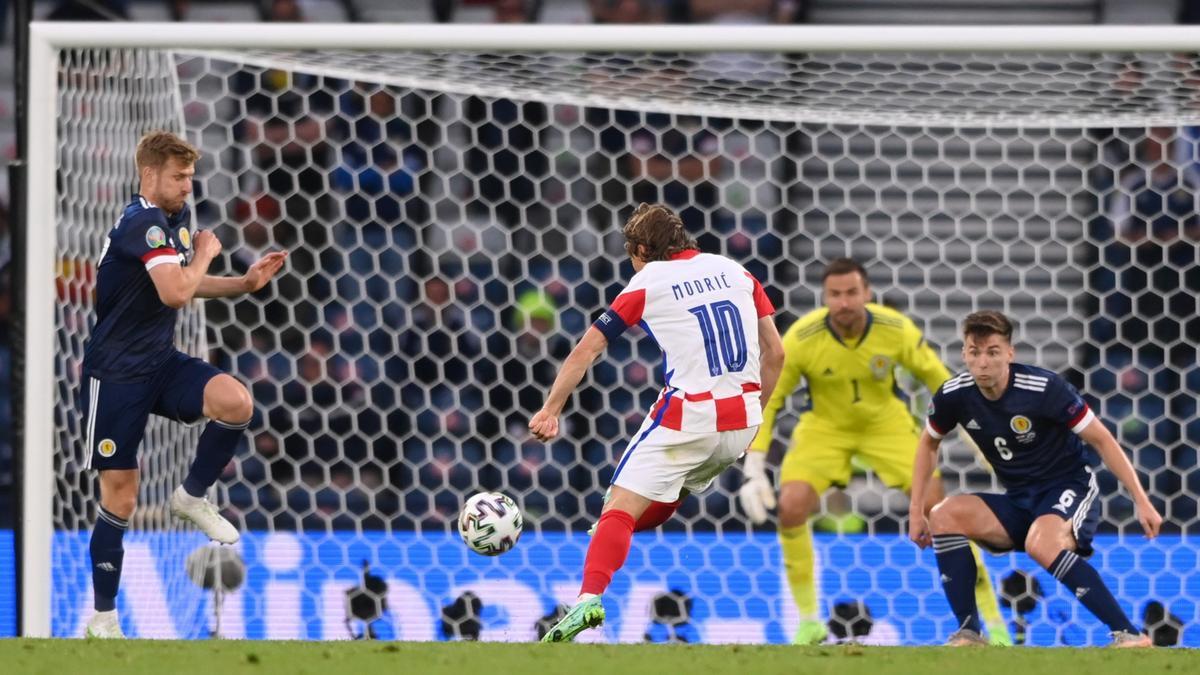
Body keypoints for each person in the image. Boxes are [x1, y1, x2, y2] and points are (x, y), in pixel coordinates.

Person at [529, 202, 785, 642]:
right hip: (743, 420)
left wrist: (551, 409)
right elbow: (776, 353)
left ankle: (589, 597)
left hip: (691, 414)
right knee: (667, 489)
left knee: (619, 506)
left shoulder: (647, 280)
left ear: (642, 249)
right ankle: (613, 531)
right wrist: (756, 411)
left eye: (630, 251)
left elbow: (586, 350)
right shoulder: (736, 271)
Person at [739, 258, 1011, 645]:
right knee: (792, 505)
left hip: (886, 424)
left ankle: (991, 622)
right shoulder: (802, 337)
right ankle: (808, 622)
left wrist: (984, 438)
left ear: (866, 293)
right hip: (825, 428)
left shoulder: (895, 329)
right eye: (835, 294)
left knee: (942, 512)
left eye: (852, 292)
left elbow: (941, 383)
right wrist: (754, 466)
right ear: (825, 297)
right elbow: (772, 399)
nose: (844, 302)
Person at [81, 131, 287, 638]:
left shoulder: (168, 224)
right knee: (122, 498)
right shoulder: (143, 222)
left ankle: (192, 496)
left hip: (160, 363)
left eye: (191, 177)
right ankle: (103, 618)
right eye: (178, 177)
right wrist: (206, 254)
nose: (187, 186)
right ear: (149, 175)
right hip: (116, 376)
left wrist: (243, 285)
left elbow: (181, 284)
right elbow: (177, 291)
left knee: (235, 401)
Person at [910, 310, 1161, 647]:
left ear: (1010, 353)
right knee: (943, 514)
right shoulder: (954, 394)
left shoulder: (1044, 388)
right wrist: (916, 512)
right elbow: (928, 443)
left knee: (1040, 544)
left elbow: (1102, 439)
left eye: (992, 352)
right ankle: (969, 633)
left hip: (1068, 487)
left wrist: (1141, 501)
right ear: (964, 354)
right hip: (1019, 498)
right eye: (974, 352)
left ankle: (1129, 633)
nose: (982, 362)